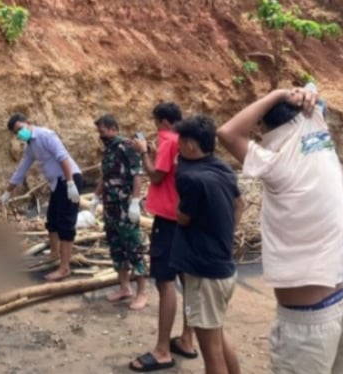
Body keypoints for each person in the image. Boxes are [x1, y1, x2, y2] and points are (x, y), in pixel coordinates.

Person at [217, 84, 343, 373]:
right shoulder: (323, 145)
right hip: (340, 310)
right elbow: (314, 99)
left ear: (265, 129)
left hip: (305, 326)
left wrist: (278, 94)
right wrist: (307, 94)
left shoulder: (278, 163)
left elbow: (227, 133)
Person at [171, 115, 243, 374]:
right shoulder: (222, 167)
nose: (178, 146)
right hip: (224, 268)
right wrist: (223, 233)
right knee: (218, 335)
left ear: (191, 145)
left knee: (210, 352)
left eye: (181, 141)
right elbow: (239, 204)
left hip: (204, 275)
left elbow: (183, 217)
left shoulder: (189, 177)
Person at [129, 102, 198, 372]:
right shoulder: (184, 141)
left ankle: (162, 350)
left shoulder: (167, 140)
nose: (156, 128)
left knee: (165, 282)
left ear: (165, 122)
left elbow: (156, 176)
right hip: (183, 218)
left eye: (157, 123)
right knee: (187, 280)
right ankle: (187, 339)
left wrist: (144, 153)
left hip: (168, 221)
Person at [1, 113, 83, 281]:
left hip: (68, 179)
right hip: (57, 184)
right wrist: (8, 191)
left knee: (66, 223)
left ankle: (65, 268)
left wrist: (70, 183)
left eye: (20, 129)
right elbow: (21, 170)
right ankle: (54, 253)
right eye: (16, 133)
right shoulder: (30, 147)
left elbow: (63, 158)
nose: (19, 134)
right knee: (52, 220)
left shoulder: (46, 135)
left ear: (28, 123)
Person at [89, 114, 147, 310]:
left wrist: (135, 202)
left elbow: (137, 174)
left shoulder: (127, 147)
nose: (101, 136)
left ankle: (142, 293)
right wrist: (95, 198)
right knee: (116, 249)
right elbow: (105, 177)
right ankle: (124, 288)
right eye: (99, 132)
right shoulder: (108, 150)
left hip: (125, 208)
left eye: (103, 132)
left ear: (114, 129)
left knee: (134, 249)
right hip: (110, 208)